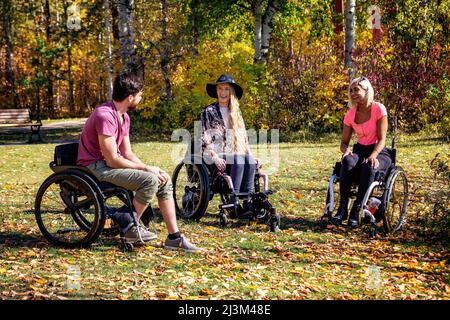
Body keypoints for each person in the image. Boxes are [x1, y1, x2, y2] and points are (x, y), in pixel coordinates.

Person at [77, 72, 201, 252]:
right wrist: (145, 170)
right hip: (95, 167)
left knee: (162, 179)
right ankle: (129, 225)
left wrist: (150, 168)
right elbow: (112, 159)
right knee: (149, 180)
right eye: (140, 95)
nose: (141, 98)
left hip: (108, 164)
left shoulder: (124, 116)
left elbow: (127, 153)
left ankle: (174, 237)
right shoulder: (105, 116)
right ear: (130, 97)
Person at [332, 76, 392, 228]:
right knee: (347, 160)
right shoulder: (350, 114)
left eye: (356, 90)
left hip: (379, 152)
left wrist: (373, 155)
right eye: (351, 90)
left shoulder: (379, 109)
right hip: (360, 150)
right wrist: (346, 151)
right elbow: (344, 142)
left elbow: (381, 139)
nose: (353, 93)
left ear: (367, 90)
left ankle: (356, 210)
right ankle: (342, 208)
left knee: (369, 165)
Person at [200, 73, 260, 216]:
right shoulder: (208, 111)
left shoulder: (236, 113)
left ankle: (247, 202)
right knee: (239, 159)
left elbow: (243, 138)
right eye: (220, 89)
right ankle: (232, 203)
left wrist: (251, 155)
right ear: (216, 91)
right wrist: (214, 157)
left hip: (234, 153)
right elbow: (203, 137)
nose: (223, 92)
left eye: (226, 89)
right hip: (215, 155)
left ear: (231, 92)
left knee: (249, 161)